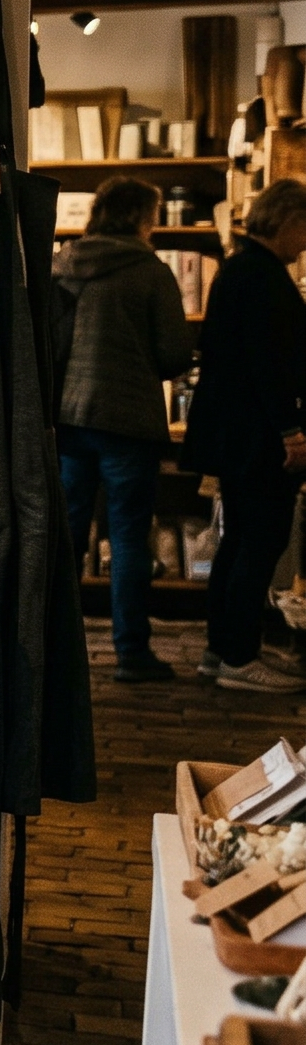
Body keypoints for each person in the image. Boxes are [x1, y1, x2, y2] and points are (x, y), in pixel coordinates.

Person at [55, 178, 196, 681]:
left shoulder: (64, 264)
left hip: (70, 418)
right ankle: (132, 654)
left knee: (66, 537)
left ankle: (57, 652)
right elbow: (176, 353)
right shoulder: (150, 272)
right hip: (130, 422)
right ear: (140, 217)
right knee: (130, 536)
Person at [184, 177, 306, 694]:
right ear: (286, 221)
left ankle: (224, 650)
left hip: (235, 432)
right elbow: (270, 365)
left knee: (241, 541)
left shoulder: (239, 269)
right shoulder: (262, 274)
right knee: (259, 541)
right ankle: (238, 657)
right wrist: (293, 431)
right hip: (258, 435)